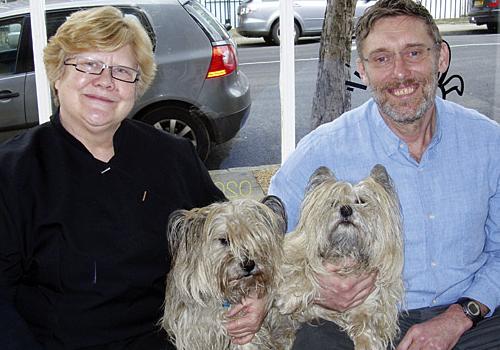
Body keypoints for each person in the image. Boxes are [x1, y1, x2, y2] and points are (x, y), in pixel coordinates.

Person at [0, 6, 267, 350]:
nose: (106, 81)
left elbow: (238, 240)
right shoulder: (13, 173)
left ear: (137, 86)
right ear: (57, 74)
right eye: (88, 65)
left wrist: (255, 295)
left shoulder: (174, 157)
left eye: (122, 71)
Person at [269, 0, 500, 349]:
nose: (400, 73)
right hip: (356, 318)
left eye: (414, 53)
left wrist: (461, 315)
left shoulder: (488, 142)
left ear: (441, 58)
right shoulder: (323, 148)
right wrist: (313, 286)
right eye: (381, 59)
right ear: (362, 70)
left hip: (471, 317)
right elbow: (263, 236)